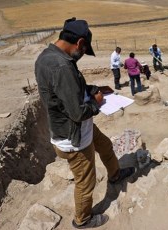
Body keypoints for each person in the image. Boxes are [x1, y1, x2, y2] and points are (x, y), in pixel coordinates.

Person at [34, 17, 135, 229]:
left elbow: (68, 89)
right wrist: (97, 103)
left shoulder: (49, 56)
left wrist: (93, 89)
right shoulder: (62, 66)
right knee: (85, 181)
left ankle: (115, 175)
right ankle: (83, 219)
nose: (81, 56)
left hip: (81, 128)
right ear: (79, 43)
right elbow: (78, 112)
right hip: (74, 135)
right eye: (84, 50)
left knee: (106, 146)